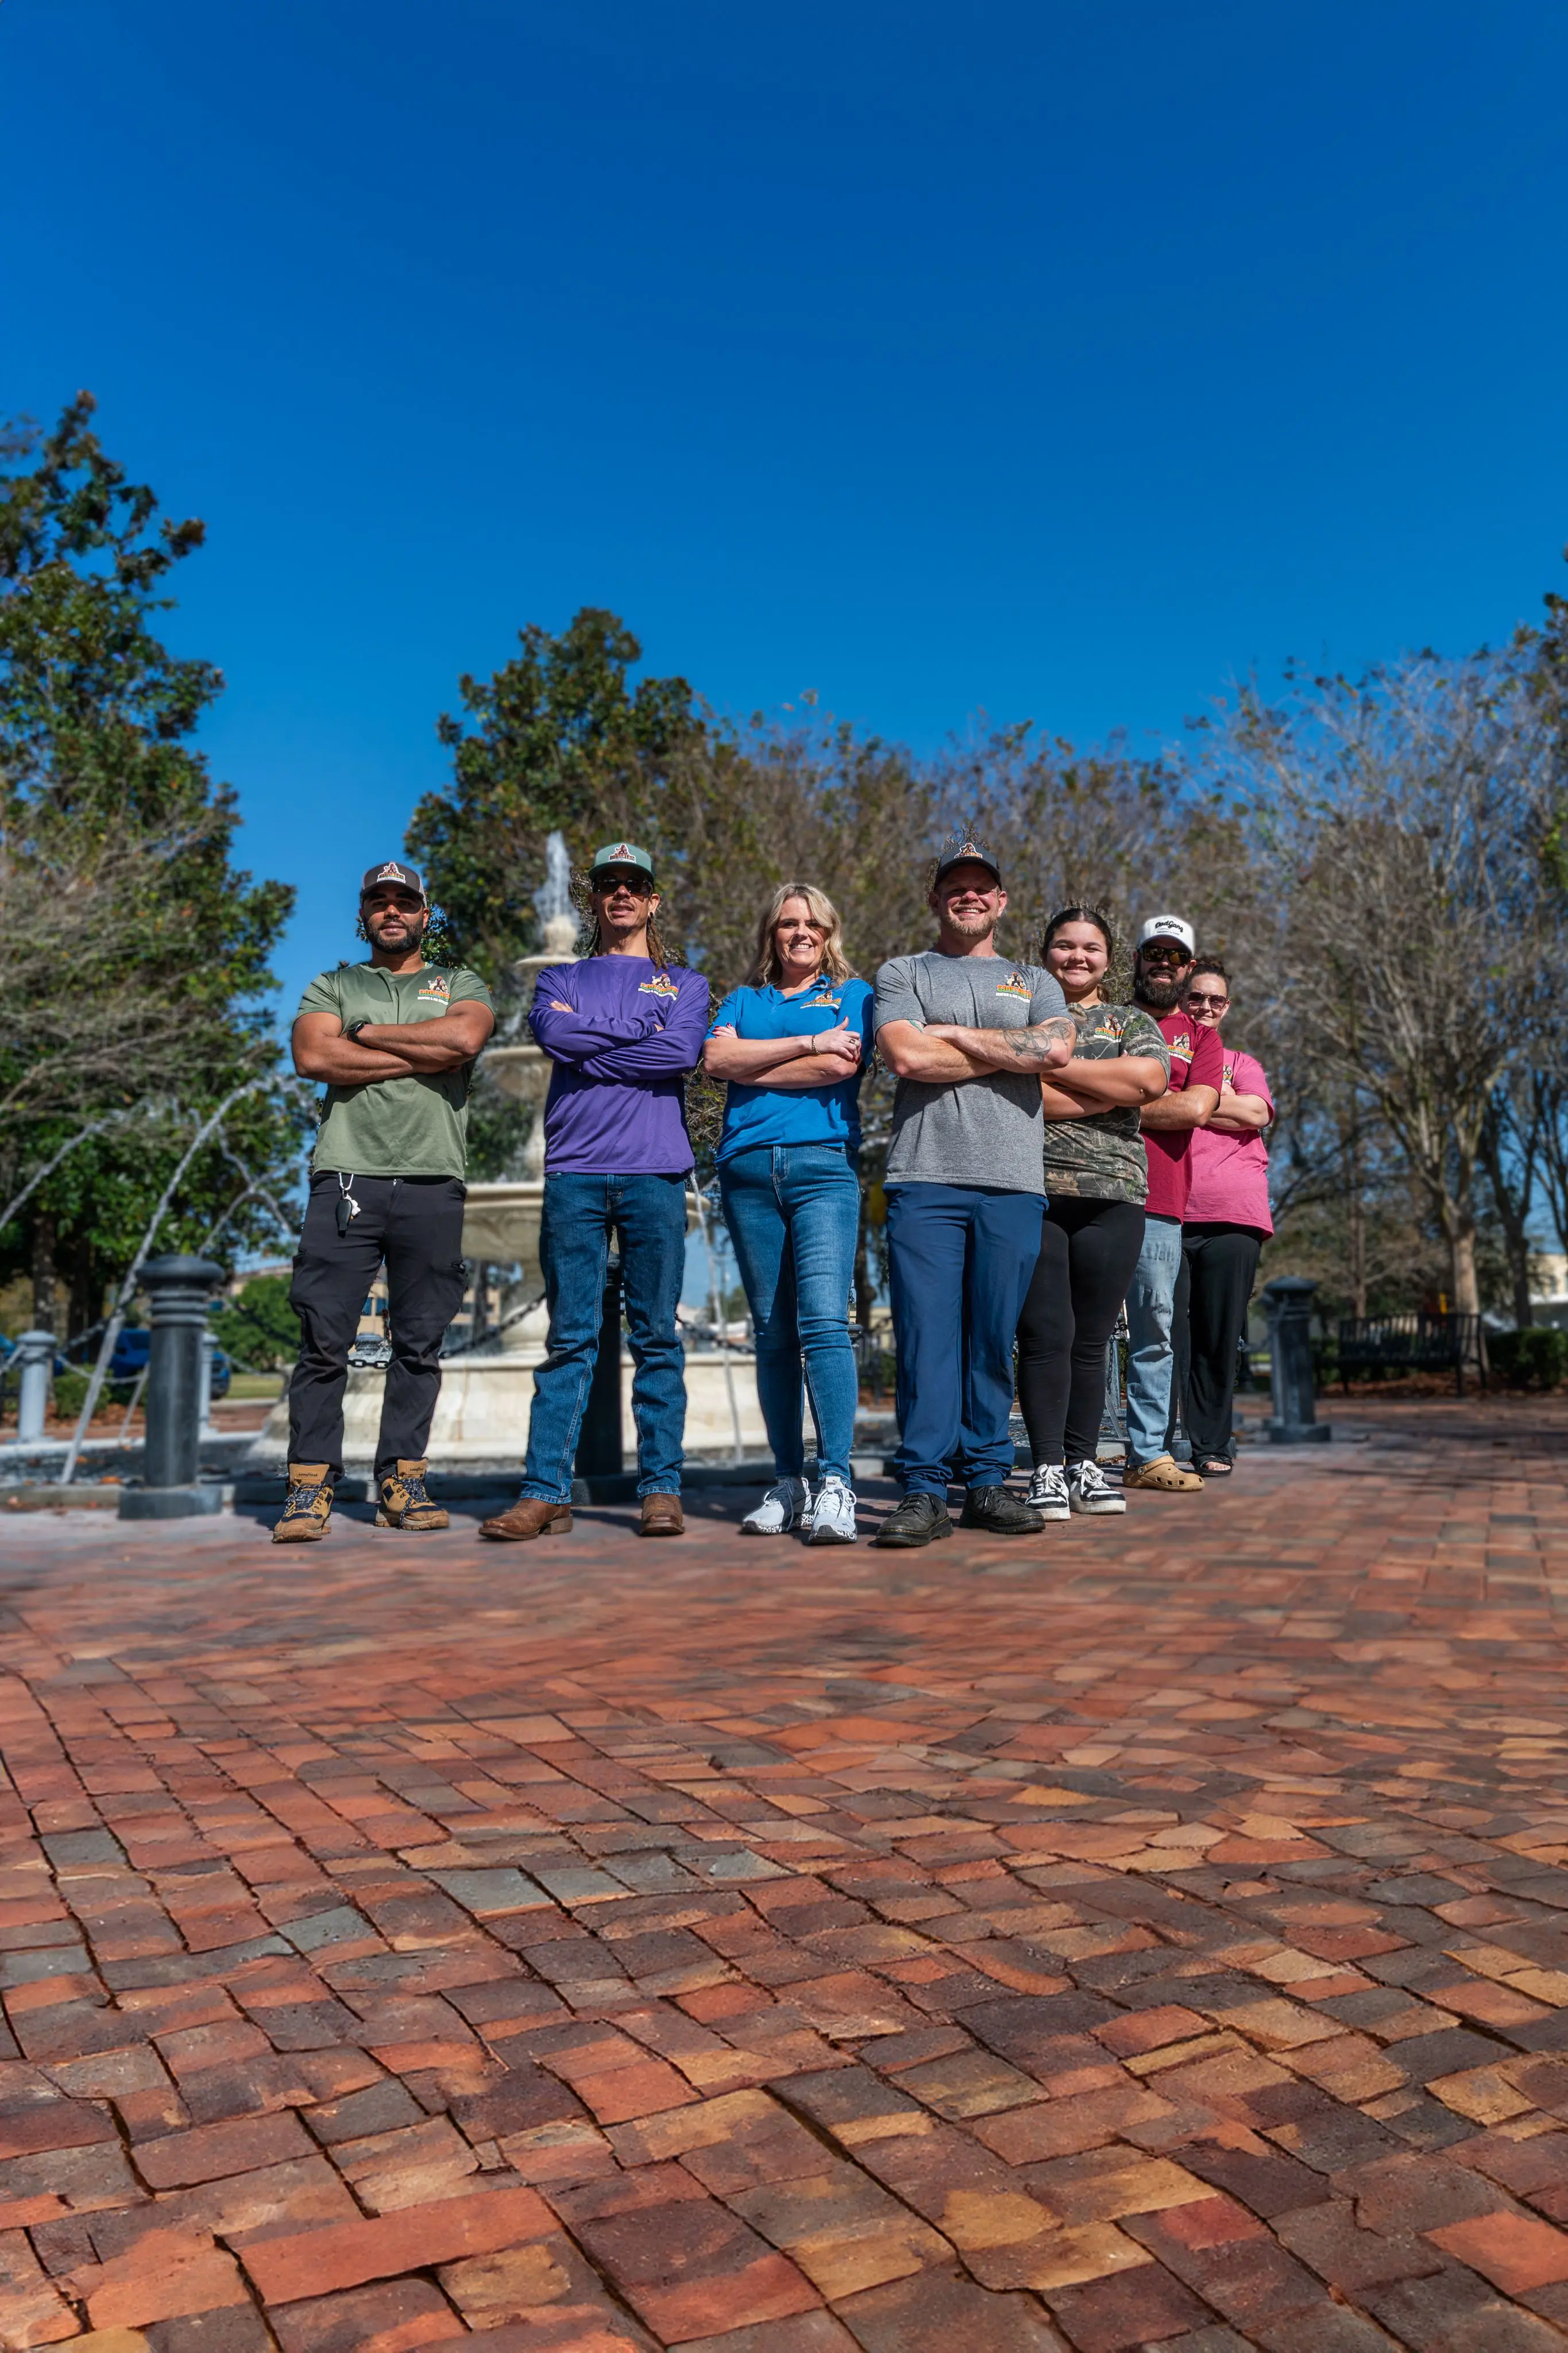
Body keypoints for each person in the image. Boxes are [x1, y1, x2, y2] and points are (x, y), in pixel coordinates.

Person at [480, 841, 708, 1542]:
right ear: (595, 899)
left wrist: (596, 1041)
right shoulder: (558, 979)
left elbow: (679, 1053)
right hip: (574, 1173)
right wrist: (638, 1033)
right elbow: (555, 1037)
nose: (621, 895)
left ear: (652, 900)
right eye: (609, 885)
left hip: (655, 1171)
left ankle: (661, 1490)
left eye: (634, 885)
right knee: (569, 1339)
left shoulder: (687, 984)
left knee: (657, 1338)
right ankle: (545, 1492)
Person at [276, 859, 496, 1543]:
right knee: (323, 1341)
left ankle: (402, 1480)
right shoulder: (334, 983)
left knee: (420, 1344)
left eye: (405, 902)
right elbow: (314, 1058)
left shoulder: (459, 982)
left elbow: (463, 1039)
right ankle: (308, 1487)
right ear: (364, 915)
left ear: (426, 914)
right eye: (380, 902)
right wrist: (419, 1056)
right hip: (345, 1175)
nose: (392, 911)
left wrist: (363, 1036)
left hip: (433, 1178)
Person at [871, 837, 1075, 1547]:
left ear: (1001, 901)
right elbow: (905, 1054)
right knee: (927, 1339)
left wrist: (953, 1033)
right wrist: (1002, 1047)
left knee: (992, 1339)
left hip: (1013, 1184)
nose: (969, 896)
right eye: (955, 886)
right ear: (935, 899)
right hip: (924, 1177)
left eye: (981, 887)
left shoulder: (1036, 980)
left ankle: (988, 1483)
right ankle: (924, 1490)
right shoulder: (902, 971)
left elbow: (1053, 1051)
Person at [703, 885, 873, 1544]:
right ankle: (787, 1481)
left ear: (829, 931)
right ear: (771, 933)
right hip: (745, 1174)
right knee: (772, 1334)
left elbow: (839, 1065)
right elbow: (716, 1059)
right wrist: (805, 1040)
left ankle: (836, 1481)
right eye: (786, 923)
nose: (799, 933)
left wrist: (758, 1063)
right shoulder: (744, 1000)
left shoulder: (853, 996)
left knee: (824, 1323)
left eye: (811, 923)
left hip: (821, 1169)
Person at [1014, 908, 1169, 1519]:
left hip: (1116, 1194)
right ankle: (1047, 1467)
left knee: (1093, 1338)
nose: (1077, 957)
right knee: (1044, 1335)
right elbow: (1018, 1096)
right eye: (1064, 946)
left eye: (1091, 947)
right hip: (1034, 1190)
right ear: (1045, 951)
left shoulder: (1130, 1019)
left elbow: (1149, 1081)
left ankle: (1085, 1464)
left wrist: (1056, 1066)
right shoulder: (1024, 1012)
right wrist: (1107, 1089)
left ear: (1110, 957)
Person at [1121, 913, 1223, 1494]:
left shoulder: (1202, 1037)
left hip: (1161, 1202)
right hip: (1088, 1191)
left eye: (1175, 956)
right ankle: (1068, 1456)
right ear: (1136, 958)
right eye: (1153, 953)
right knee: (1072, 1329)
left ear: (1189, 966)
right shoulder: (1108, 1017)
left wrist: (1107, 1102)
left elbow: (1193, 1111)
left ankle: (1147, 1453)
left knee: (1156, 1330)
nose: (1164, 963)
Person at [1175, 956, 1275, 1476]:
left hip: (1235, 1215)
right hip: (1170, 1209)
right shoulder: (1162, 1054)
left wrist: (1192, 1102)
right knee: (1168, 1336)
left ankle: (1211, 1444)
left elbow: (1256, 1113)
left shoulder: (1242, 1062)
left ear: (1227, 1006)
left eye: (1216, 999)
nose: (1206, 1007)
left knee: (1218, 1336)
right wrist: (1222, 1103)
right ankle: (1162, 1443)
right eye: (1196, 997)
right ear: (1180, 999)